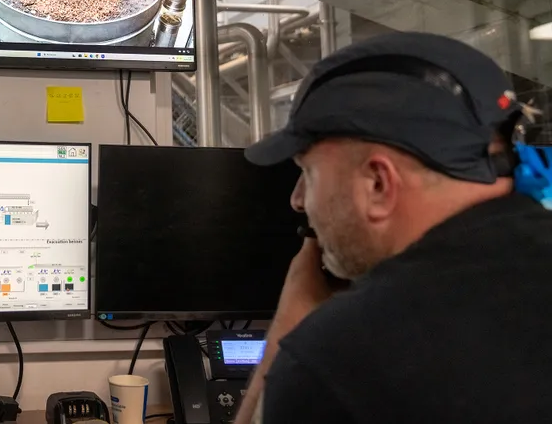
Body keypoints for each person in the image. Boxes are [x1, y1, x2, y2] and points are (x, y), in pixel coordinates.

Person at [233, 32, 552, 424]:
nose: (297, 200)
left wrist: (296, 316)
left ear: (378, 184)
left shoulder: (342, 357)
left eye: (308, 173)